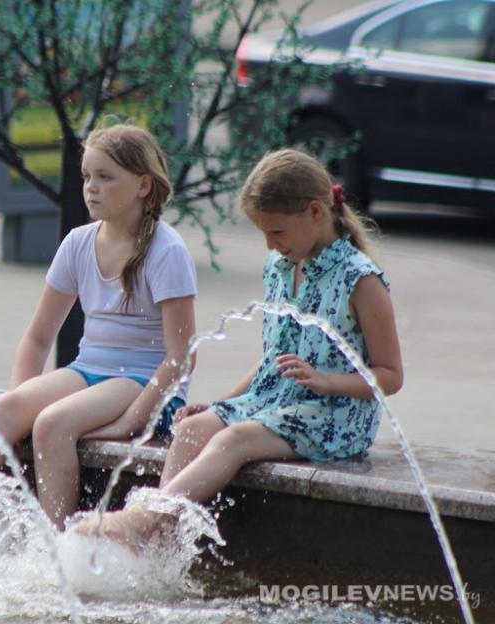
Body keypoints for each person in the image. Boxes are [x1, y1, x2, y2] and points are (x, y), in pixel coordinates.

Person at [0, 124, 198, 537]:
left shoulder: (166, 250)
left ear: (143, 185)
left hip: (144, 383)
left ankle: (56, 547)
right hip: (89, 371)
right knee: (5, 409)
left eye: (105, 177)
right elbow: (37, 339)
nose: (91, 187)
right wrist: (23, 402)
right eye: (87, 176)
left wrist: (131, 421)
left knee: (52, 423)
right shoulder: (78, 243)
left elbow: (182, 356)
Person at [76, 148, 403, 543]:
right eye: (263, 233)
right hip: (276, 402)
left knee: (235, 440)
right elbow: (273, 359)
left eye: (277, 232)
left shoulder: (360, 279)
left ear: (316, 212)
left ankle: (146, 519)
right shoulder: (281, 267)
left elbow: (390, 376)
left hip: (335, 416)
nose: (270, 244)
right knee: (191, 430)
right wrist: (223, 403)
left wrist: (326, 381)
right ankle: (158, 542)